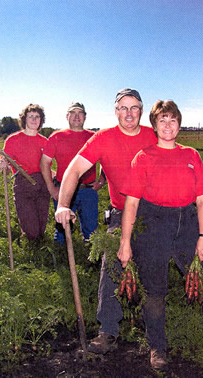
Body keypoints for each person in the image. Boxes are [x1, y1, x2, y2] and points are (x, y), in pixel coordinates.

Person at [118, 100, 203, 370]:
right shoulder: (144, 157)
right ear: (154, 126)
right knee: (154, 291)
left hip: (187, 224)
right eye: (162, 120)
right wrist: (125, 242)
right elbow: (131, 203)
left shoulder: (190, 155)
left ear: (179, 124)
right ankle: (157, 348)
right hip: (153, 224)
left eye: (172, 120)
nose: (167, 125)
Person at [54, 88, 157, 355]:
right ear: (115, 111)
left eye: (134, 107)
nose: (129, 113)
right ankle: (108, 330)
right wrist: (63, 204)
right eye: (123, 107)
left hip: (154, 211)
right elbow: (74, 169)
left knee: (152, 267)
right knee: (111, 264)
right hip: (121, 213)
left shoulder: (153, 135)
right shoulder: (104, 138)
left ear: (142, 110)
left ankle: (153, 330)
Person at [40, 102, 103, 244]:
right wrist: (52, 188)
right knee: (62, 229)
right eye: (72, 113)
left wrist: (101, 181)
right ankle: (60, 262)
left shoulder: (94, 137)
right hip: (64, 189)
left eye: (80, 113)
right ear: (67, 116)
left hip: (88, 190)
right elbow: (44, 163)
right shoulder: (57, 136)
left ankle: (92, 262)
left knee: (91, 230)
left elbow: (105, 160)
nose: (76, 116)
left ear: (85, 117)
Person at [0, 104, 50, 240]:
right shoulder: (13, 140)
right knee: (32, 232)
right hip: (23, 183)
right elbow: (6, 163)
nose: (34, 119)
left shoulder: (45, 142)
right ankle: (27, 237)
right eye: (30, 116)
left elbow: (48, 167)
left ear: (41, 120)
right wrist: (4, 166)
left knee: (41, 228)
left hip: (43, 184)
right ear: (24, 119)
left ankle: (35, 246)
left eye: (37, 116)